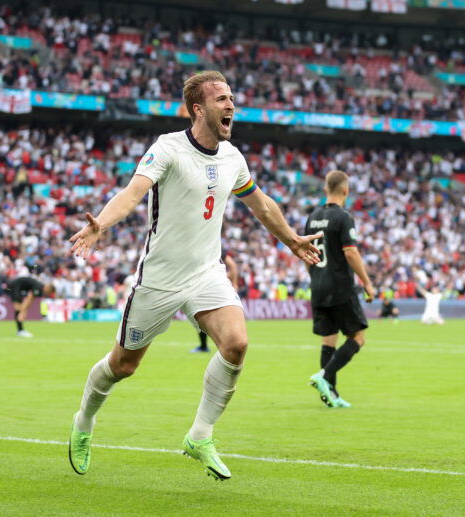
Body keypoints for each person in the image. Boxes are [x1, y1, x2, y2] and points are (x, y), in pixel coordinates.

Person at [67, 70, 321, 480]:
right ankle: (83, 420)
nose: (231, 105)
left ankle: (200, 435)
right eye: (221, 99)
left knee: (236, 343)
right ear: (197, 109)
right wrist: (102, 224)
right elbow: (134, 191)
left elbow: (261, 205)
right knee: (123, 365)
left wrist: (290, 239)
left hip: (206, 272)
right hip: (160, 278)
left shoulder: (232, 157)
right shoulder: (167, 149)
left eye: (232, 97)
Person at [305, 170, 374, 409]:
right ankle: (324, 376)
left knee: (329, 339)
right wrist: (366, 281)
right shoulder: (343, 217)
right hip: (340, 286)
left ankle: (331, 395)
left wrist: (314, 277)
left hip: (318, 285)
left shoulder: (312, 217)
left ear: (326, 189)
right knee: (358, 337)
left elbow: (306, 253)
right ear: (346, 190)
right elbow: (351, 252)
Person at [192, 251, 239, 353]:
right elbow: (232, 266)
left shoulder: (216, 247)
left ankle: (220, 345)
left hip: (212, 287)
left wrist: (233, 282)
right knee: (202, 316)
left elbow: (232, 266)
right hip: (206, 286)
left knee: (205, 316)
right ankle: (205, 346)